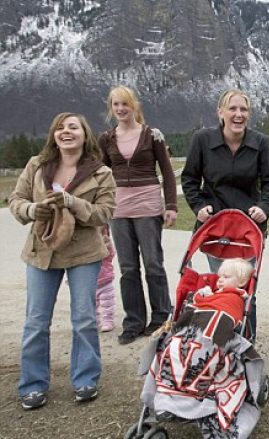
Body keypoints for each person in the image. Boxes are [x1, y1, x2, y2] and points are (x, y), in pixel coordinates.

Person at [9, 112, 116, 410]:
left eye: (73, 127)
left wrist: (74, 203)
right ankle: (32, 385)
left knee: (83, 319)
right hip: (41, 251)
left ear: (85, 135)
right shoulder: (37, 165)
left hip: (84, 252)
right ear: (53, 135)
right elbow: (16, 201)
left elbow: (105, 212)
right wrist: (33, 210)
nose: (66, 131)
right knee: (35, 321)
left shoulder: (101, 173)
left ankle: (85, 380)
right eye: (60, 127)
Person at [181, 88, 269, 340]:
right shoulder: (202, 140)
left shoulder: (260, 143)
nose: (238, 114)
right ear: (220, 112)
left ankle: (247, 342)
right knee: (223, 286)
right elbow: (190, 179)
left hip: (249, 230)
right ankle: (220, 340)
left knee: (246, 290)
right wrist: (198, 206)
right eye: (233, 109)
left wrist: (264, 207)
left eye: (243, 109)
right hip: (216, 229)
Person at [140, 258, 263, 438]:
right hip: (192, 329)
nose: (219, 280)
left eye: (226, 277)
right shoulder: (212, 293)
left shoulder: (235, 298)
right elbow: (194, 307)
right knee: (170, 349)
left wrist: (205, 298)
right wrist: (200, 297)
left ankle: (180, 399)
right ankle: (167, 400)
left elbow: (225, 317)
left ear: (242, 282)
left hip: (211, 334)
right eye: (219, 276)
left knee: (201, 356)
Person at [98, 85, 178, 345]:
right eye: (116, 105)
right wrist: (100, 210)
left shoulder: (151, 136)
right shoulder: (106, 139)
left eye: (125, 104)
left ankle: (161, 318)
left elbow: (167, 172)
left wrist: (171, 205)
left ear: (135, 106)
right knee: (128, 267)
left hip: (148, 206)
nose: (121, 109)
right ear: (111, 109)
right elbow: (101, 176)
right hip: (119, 209)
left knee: (153, 264)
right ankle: (133, 322)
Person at [95, 225, 116, 332]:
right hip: (91, 283)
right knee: (92, 304)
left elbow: (111, 255)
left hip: (105, 281)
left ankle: (108, 321)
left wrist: (107, 245)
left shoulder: (107, 245)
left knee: (107, 303)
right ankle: (96, 321)